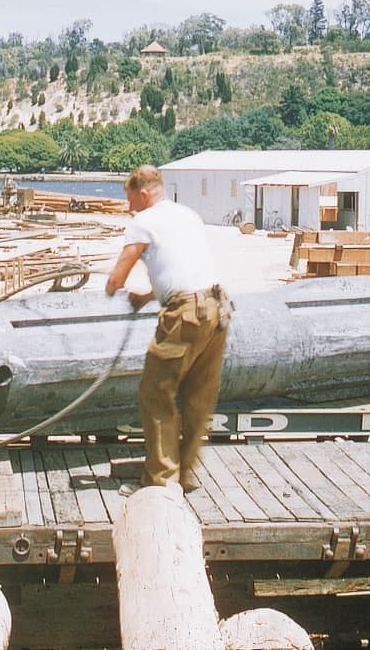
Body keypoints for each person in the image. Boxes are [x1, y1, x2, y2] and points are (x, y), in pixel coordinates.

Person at [105, 165, 231, 494]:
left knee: (156, 394)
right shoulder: (186, 214)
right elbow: (183, 265)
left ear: (144, 194)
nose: (129, 207)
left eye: (131, 199)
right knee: (197, 399)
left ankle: (161, 481)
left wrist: (111, 286)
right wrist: (149, 296)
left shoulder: (142, 223)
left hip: (186, 317)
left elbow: (116, 278)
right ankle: (184, 474)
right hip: (217, 309)